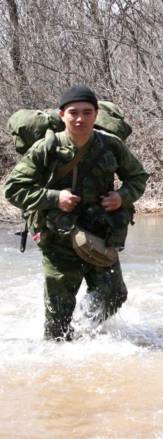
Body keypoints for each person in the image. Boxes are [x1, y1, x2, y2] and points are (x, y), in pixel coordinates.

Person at [4, 85, 149, 341]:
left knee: (114, 294)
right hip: (57, 236)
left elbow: (137, 177)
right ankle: (58, 359)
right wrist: (54, 198)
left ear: (96, 114)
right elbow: (14, 189)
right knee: (58, 317)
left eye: (87, 112)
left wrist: (121, 197)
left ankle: (84, 333)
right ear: (62, 115)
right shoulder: (46, 148)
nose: (80, 118)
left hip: (100, 233)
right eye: (73, 112)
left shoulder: (111, 145)